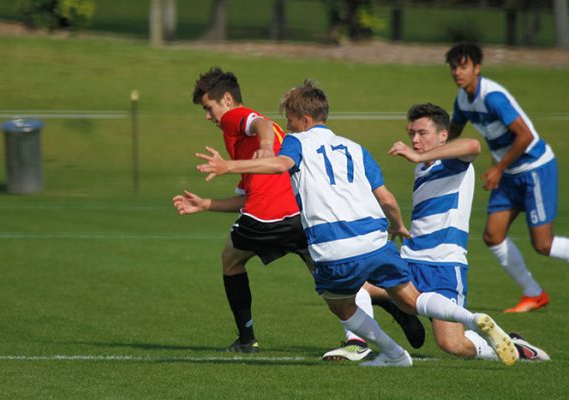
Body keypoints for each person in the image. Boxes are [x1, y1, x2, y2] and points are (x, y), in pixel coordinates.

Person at [195, 79, 518, 367]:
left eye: (291, 120)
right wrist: (396, 226)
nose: (288, 127)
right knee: (410, 298)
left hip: (334, 245)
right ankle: (473, 318)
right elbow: (388, 199)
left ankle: (391, 353)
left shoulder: (297, 142)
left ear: (305, 120)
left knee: (341, 304)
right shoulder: (355, 147)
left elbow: (279, 162)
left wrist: (228, 166)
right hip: (376, 241)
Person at [173, 67, 417, 357]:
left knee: (230, 260)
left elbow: (261, 123)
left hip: (267, 217)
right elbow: (248, 196)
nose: (208, 116)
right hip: (299, 217)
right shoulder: (245, 137)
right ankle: (389, 300)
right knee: (337, 283)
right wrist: (206, 204)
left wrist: (265, 146)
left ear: (226, 99)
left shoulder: (234, 118)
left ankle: (246, 339)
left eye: (209, 107)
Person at [352, 103, 548, 362]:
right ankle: (372, 345)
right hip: (411, 259)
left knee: (452, 344)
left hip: (444, 263)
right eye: (411, 133)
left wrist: (417, 155)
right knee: (356, 286)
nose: (415, 139)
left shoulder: (453, 163)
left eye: (422, 133)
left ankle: (515, 347)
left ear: (443, 136)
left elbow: (474, 146)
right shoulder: (422, 167)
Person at [446, 43, 569, 313]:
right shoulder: (462, 100)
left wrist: (498, 169)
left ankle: (535, 293)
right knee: (493, 235)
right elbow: (453, 131)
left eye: (463, 66)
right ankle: (533, 293)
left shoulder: (492, 97)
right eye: (454, 67)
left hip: (534, 168)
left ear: (476, 68)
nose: (457, 72)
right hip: (509, 171)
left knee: (543, 244)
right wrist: (431, 155)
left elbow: (525, 136)